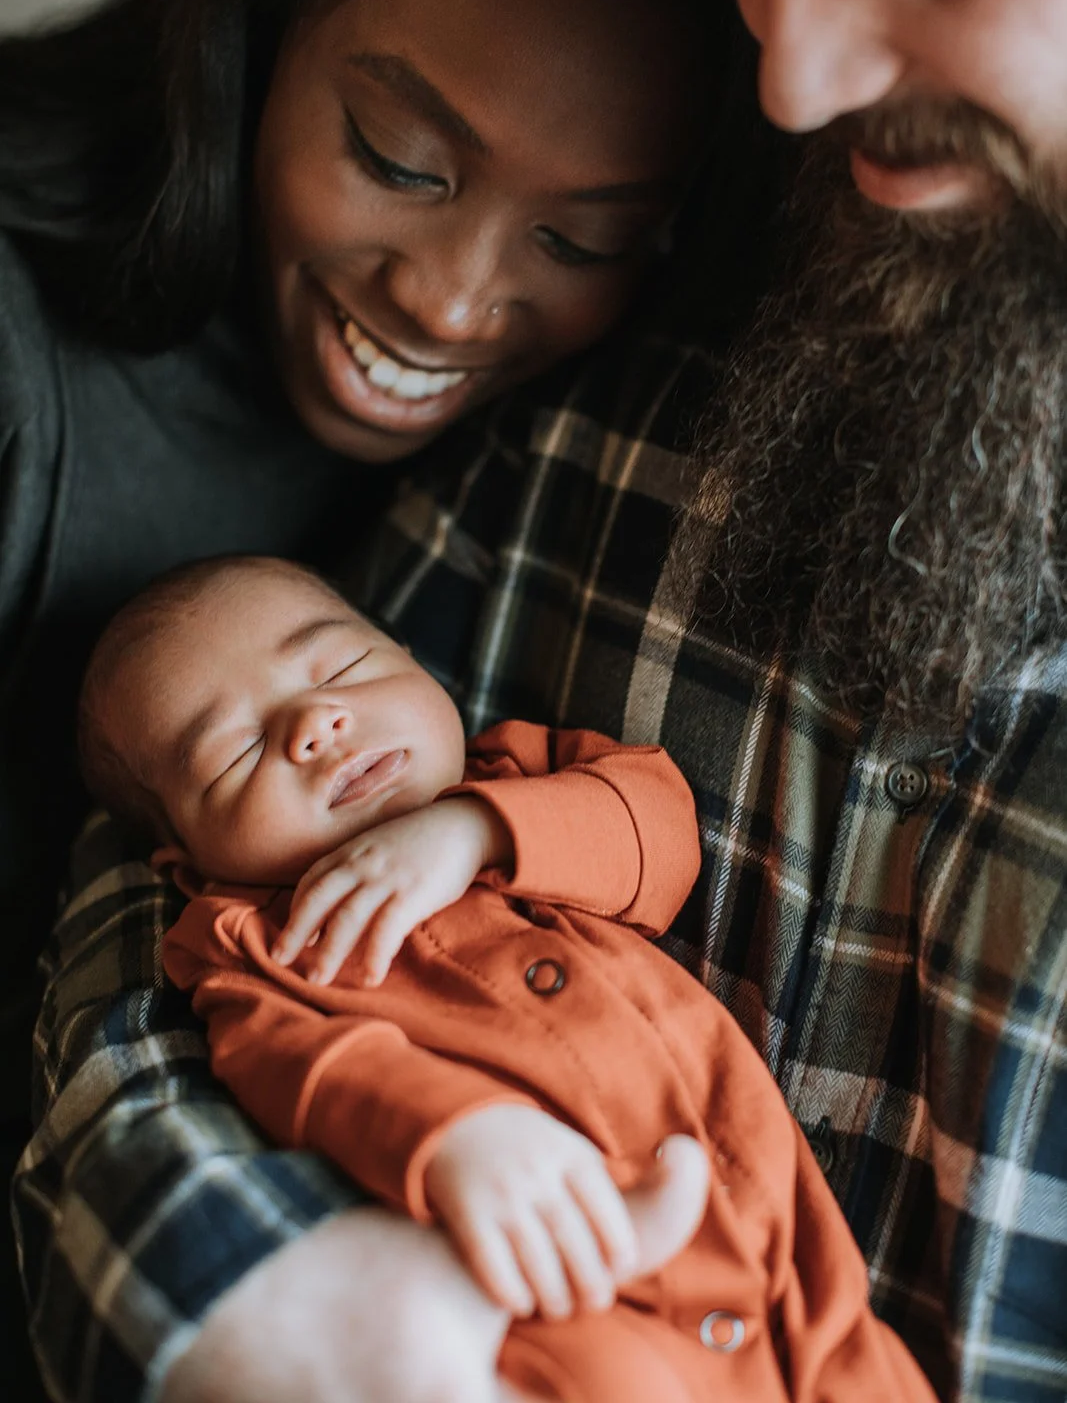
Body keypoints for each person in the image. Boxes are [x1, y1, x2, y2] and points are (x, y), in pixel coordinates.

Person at [18, 0, 1067, 1402]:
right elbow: (178, 966)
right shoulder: (577, 440)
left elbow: (635, 819)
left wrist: (482, 833)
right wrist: (305, 1285)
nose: (787, 84)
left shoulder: (487, 713)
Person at [0, 0, 732, 1395]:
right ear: (256, 15)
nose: (453, 301)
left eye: (578, 235)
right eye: (399, 161)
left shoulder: (600, 420)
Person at [77, 552, 937, 1403]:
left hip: (780, 1242)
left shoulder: (519, 777)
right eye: (232, 753)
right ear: (187, 868)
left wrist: (475, 833)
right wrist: (458, 1135)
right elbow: (310, 1068)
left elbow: (661, 832)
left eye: (342, 665)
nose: (314, 724)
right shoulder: (255, 941)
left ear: (412, 661)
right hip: (571, 1278)